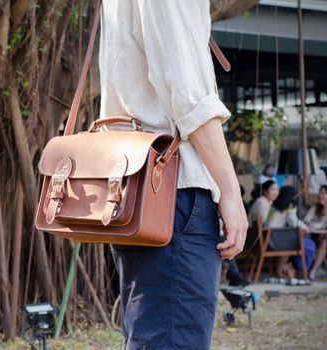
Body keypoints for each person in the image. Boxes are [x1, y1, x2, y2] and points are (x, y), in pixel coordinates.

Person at [99, 1, 248, 348]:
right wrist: (230, 190)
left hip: (137, 189)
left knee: (152, 335)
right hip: (174, 193)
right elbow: (189, 96)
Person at [302, 185, 327, 279]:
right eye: (320, 193)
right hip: (313, 236)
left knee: (325, 241)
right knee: (324, 241)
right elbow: (305, 221)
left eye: (324, 193)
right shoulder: (315, 208)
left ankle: (313, 270)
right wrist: (313, 225)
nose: (321, 195)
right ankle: (313, 271)